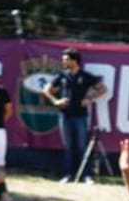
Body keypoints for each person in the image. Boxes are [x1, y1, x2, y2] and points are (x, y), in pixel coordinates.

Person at [43, 48, 107, 183]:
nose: (63, 62)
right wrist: (56, 101)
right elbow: (47, 90)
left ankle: (86, 175)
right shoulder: (62, 76)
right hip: (65, 115)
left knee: (82, 146)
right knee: (68, 146)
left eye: (66, 59)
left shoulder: (85, 76)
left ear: (74, 61)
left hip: (81, 116)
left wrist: (89, 98)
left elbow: (103, 89)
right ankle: (68, 174)